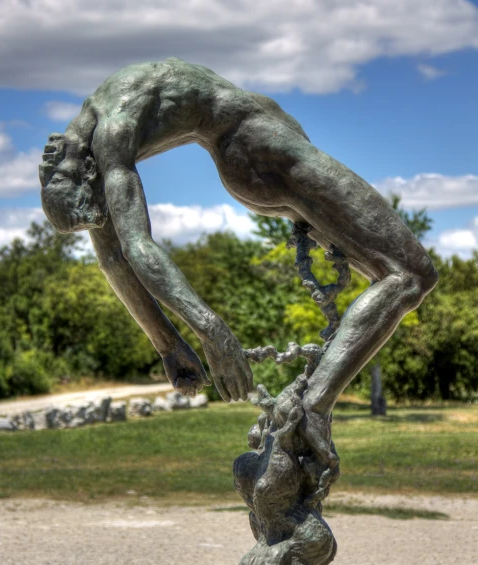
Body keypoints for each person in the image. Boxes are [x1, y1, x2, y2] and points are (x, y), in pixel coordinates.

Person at [39, 58, 437, 470]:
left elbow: (131, 250)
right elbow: (118, 258)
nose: (103, 215)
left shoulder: (111, 135)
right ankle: (315, 407)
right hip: (260, 151)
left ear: (85, 174)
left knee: (398, 276)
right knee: (410, 276)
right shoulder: (92, 140)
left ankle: (310, 402)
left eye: (97, 206)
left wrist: (204, 335)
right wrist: (172, 345)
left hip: (257, 152)